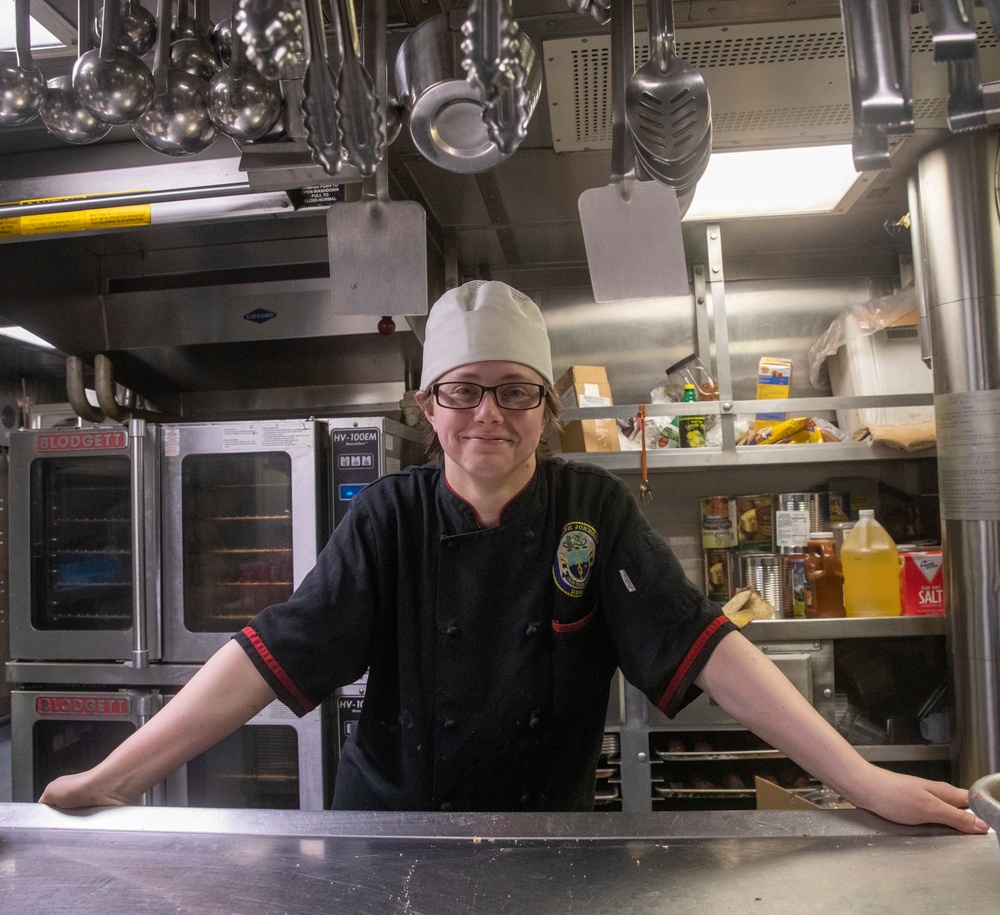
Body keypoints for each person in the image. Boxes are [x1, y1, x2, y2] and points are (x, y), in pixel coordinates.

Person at [39, 281, 987, 831]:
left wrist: (864, 779)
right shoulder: (387, 520)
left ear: (548, 408)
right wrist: (118, 776)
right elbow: (264, 658)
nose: (487, 412)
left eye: (514, 391)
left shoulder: (593, 511)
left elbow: (711, 655)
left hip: (547, 832)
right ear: (428, 409)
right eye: (462, 391)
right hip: (389, 829)